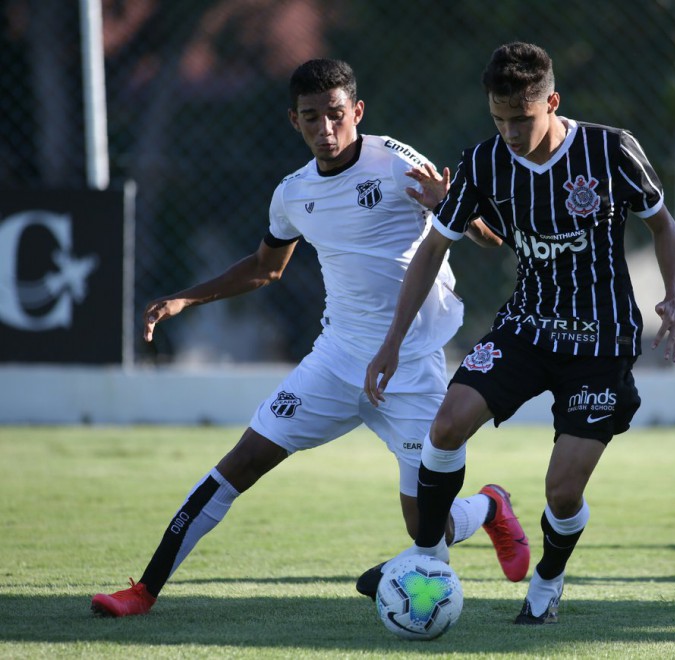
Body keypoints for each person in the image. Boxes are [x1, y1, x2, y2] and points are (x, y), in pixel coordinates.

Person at [90, 58, 530, 618]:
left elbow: (490, 239)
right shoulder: (292, 194)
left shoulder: (395, 160)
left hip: (413, 369)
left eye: (336, 115)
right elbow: (263, 268)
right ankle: (143, 589)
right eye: (312, 117)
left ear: (357, 112)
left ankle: (489, 508)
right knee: (241, 461)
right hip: (337, 360)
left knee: (430, 532)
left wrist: (453, 210)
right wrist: (185, 298)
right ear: (293, 121)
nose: (326, 128)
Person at [363, 42, 675, 624]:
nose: (510, 132)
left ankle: (549, 578)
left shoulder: (610, 149)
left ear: (551, 102)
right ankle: (430, 556)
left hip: (600, 341)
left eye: (521, 118)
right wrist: (391, 342)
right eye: (499, 118)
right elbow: (434, 247)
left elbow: (663, 225)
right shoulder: (484, 162)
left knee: (562, 492)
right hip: (527, 327)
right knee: (447, 422)